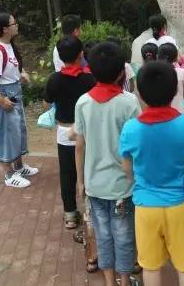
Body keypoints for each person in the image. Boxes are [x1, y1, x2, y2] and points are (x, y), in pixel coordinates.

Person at [119, 61, 184, 286]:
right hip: (180, 206)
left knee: (150, 267)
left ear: (140, 94)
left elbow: (127, 170)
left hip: (145, 207)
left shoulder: (130, 128)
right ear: (175, 91)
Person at [73, 42, 141, 286]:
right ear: (122, 72)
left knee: (102, 236)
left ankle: (110, 281)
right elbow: (137, 145)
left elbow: (79, 145)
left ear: (91, 70)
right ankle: (125, 280)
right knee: (124, 237)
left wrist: (80, 181)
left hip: (94, 184)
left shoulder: (83, 103)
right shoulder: (129, 103)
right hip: (123, 185)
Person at [43, 36, 96, 229]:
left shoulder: (54, 79)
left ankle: (70, 215)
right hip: (87, 134)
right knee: (89, 171)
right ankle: (91, 212)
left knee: (67, 174)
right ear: (81, 54)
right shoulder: (89, 79)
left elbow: (47, 103)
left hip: (65, 133)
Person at [0, 12, 38, 188]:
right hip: (6, 96)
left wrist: (21, 74)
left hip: (14, 93)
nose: (16, 25)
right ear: (5, 29)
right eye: (13, 23)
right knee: (7, 134)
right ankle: (8, 175)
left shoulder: (8, 46)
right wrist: (1, 100)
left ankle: (19, 167)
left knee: (17, 131)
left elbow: (10, 68)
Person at [156, 43, 184, 113]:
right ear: (175, 57)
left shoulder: (155, 74)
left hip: (161, 114)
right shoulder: (182, 72)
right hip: (179, 112)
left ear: (158, 56)